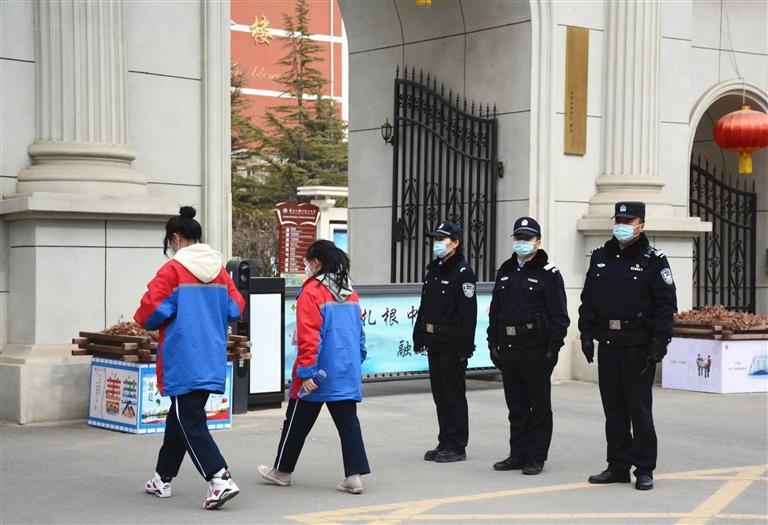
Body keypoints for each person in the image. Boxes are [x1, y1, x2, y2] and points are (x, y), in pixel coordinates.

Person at [134, 206, 245, 510]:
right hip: (211, 353)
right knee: (181, 416)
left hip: (182, 355)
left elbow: (150, 312)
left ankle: (220, 478)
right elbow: (236, 307)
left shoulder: (172, 270)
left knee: (189, 419)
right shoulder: (219, 270)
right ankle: (162, 477)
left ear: (175, 238)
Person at [578, 201, 677, 491]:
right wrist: (586, 333)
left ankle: (644, 468)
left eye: (628, 221)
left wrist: (661, 341)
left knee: (639, 409)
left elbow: (665, 304)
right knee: (614, 409)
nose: (621, 225)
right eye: (618, 220)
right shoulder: (601, 256)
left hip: (638, 345)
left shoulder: (654, 260)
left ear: (641, 226)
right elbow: (588, 298)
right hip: (609, 343)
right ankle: (618, 465)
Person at [257, 240, 370, 494]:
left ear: (316, 263)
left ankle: (282, 471)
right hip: (345, 369)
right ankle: (354, 477)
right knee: (348, 424)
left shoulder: (312, 291)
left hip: (317, 373)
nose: (305, 266)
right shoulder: (349, 291)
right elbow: (359, 333)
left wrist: (307, 371)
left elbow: (310, 335)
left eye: (307, 262)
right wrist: (356, 359)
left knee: (296, 422)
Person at [487, 217, 569, 475]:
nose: (522, 242)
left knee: (539, 406)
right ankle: (518, 453)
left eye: (527, 238)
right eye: (518, 237)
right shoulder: (506, 270)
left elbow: (559, 316)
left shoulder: (549, 274)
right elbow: (495, 311)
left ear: (538, 242)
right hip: (509, 345)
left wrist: (553, 348)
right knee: (516, 405)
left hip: (535, 347)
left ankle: (536, 456)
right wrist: (493, 342)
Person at [413, 221, 477, 463]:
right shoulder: (435, 270)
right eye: (436, 239)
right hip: (434, 341)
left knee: (453, 395)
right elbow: (425, 306)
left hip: (452, 342)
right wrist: (419, 334)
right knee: (440, 394)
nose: (437, 244)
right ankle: (445, 440)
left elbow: (468, 314)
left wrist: (465, 347)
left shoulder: (462, 272)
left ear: (455, 243)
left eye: (442, 239)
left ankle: (457, 445)